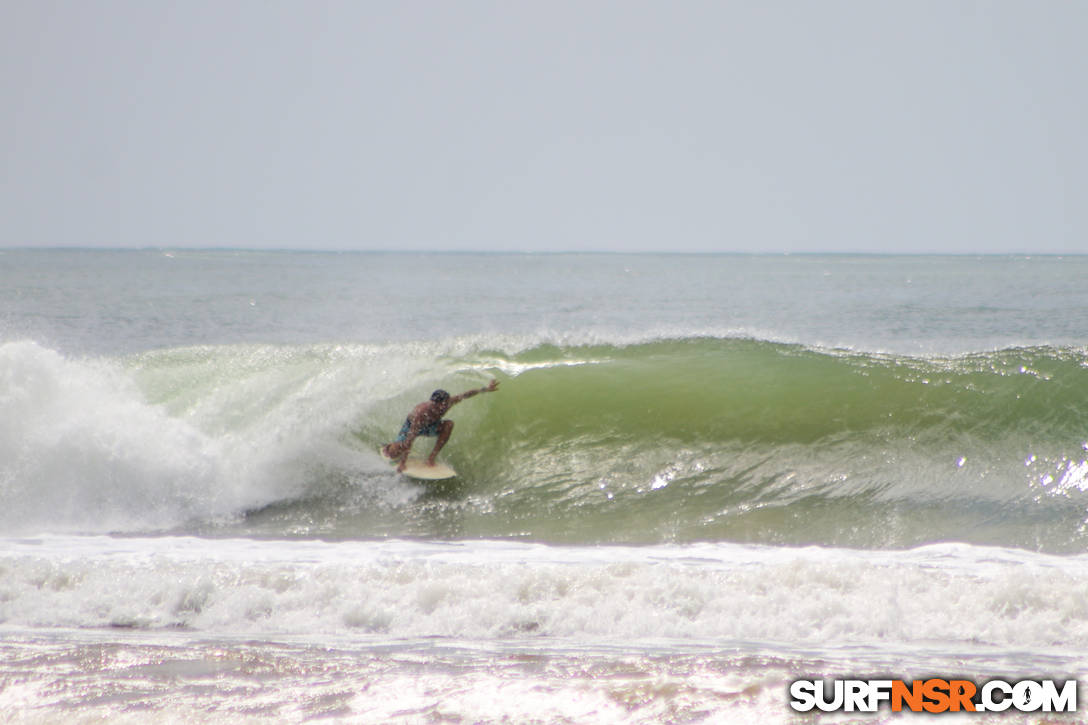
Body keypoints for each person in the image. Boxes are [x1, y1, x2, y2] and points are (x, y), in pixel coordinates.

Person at [382, 380, 499, 472]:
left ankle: (431, 457)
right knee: (394, 453)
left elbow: (466, 394)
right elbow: (410, 440)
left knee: (449, 425)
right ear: (433, 403)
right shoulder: (421, 413)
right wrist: (403, 463)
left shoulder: (448, 402)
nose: (443, 407)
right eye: (440, 406)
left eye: (445, 404)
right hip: (410, 427)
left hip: (431, 426)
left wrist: (485, 389)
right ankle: (389, 446)